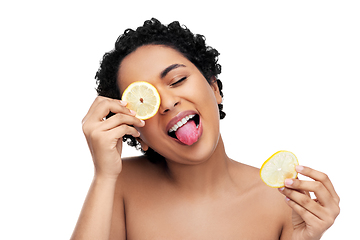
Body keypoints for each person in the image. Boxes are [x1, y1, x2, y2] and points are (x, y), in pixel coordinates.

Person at [71, 18, 340, 239]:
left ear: (214, 88)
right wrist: (104, 177)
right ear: (134, 131)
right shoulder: (118, 185)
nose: (166, 103)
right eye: (144, 102)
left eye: (176, 80)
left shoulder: (283, 201)